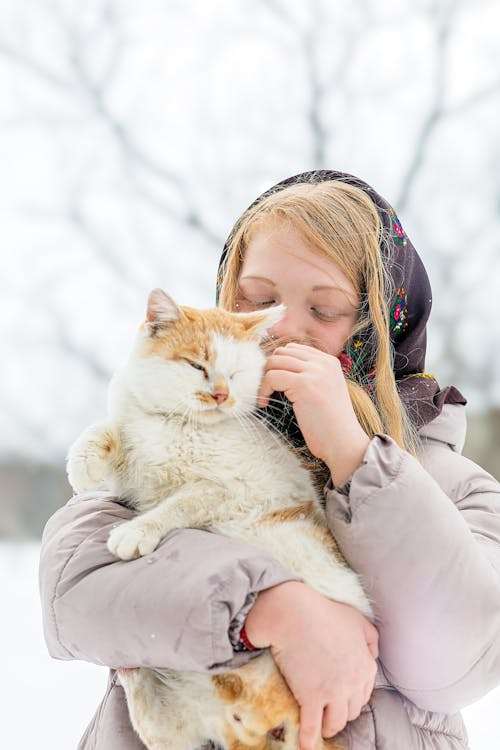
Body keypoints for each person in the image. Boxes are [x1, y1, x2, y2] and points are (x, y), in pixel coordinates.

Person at [39, 170, 500, 750]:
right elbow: (73, 596)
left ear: (380, 327)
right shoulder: (166, 432)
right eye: (259, 300)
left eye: (325, 309)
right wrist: (269, 604)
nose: (282, 328)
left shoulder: (454, 486)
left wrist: (355, 456)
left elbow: (455, 660)